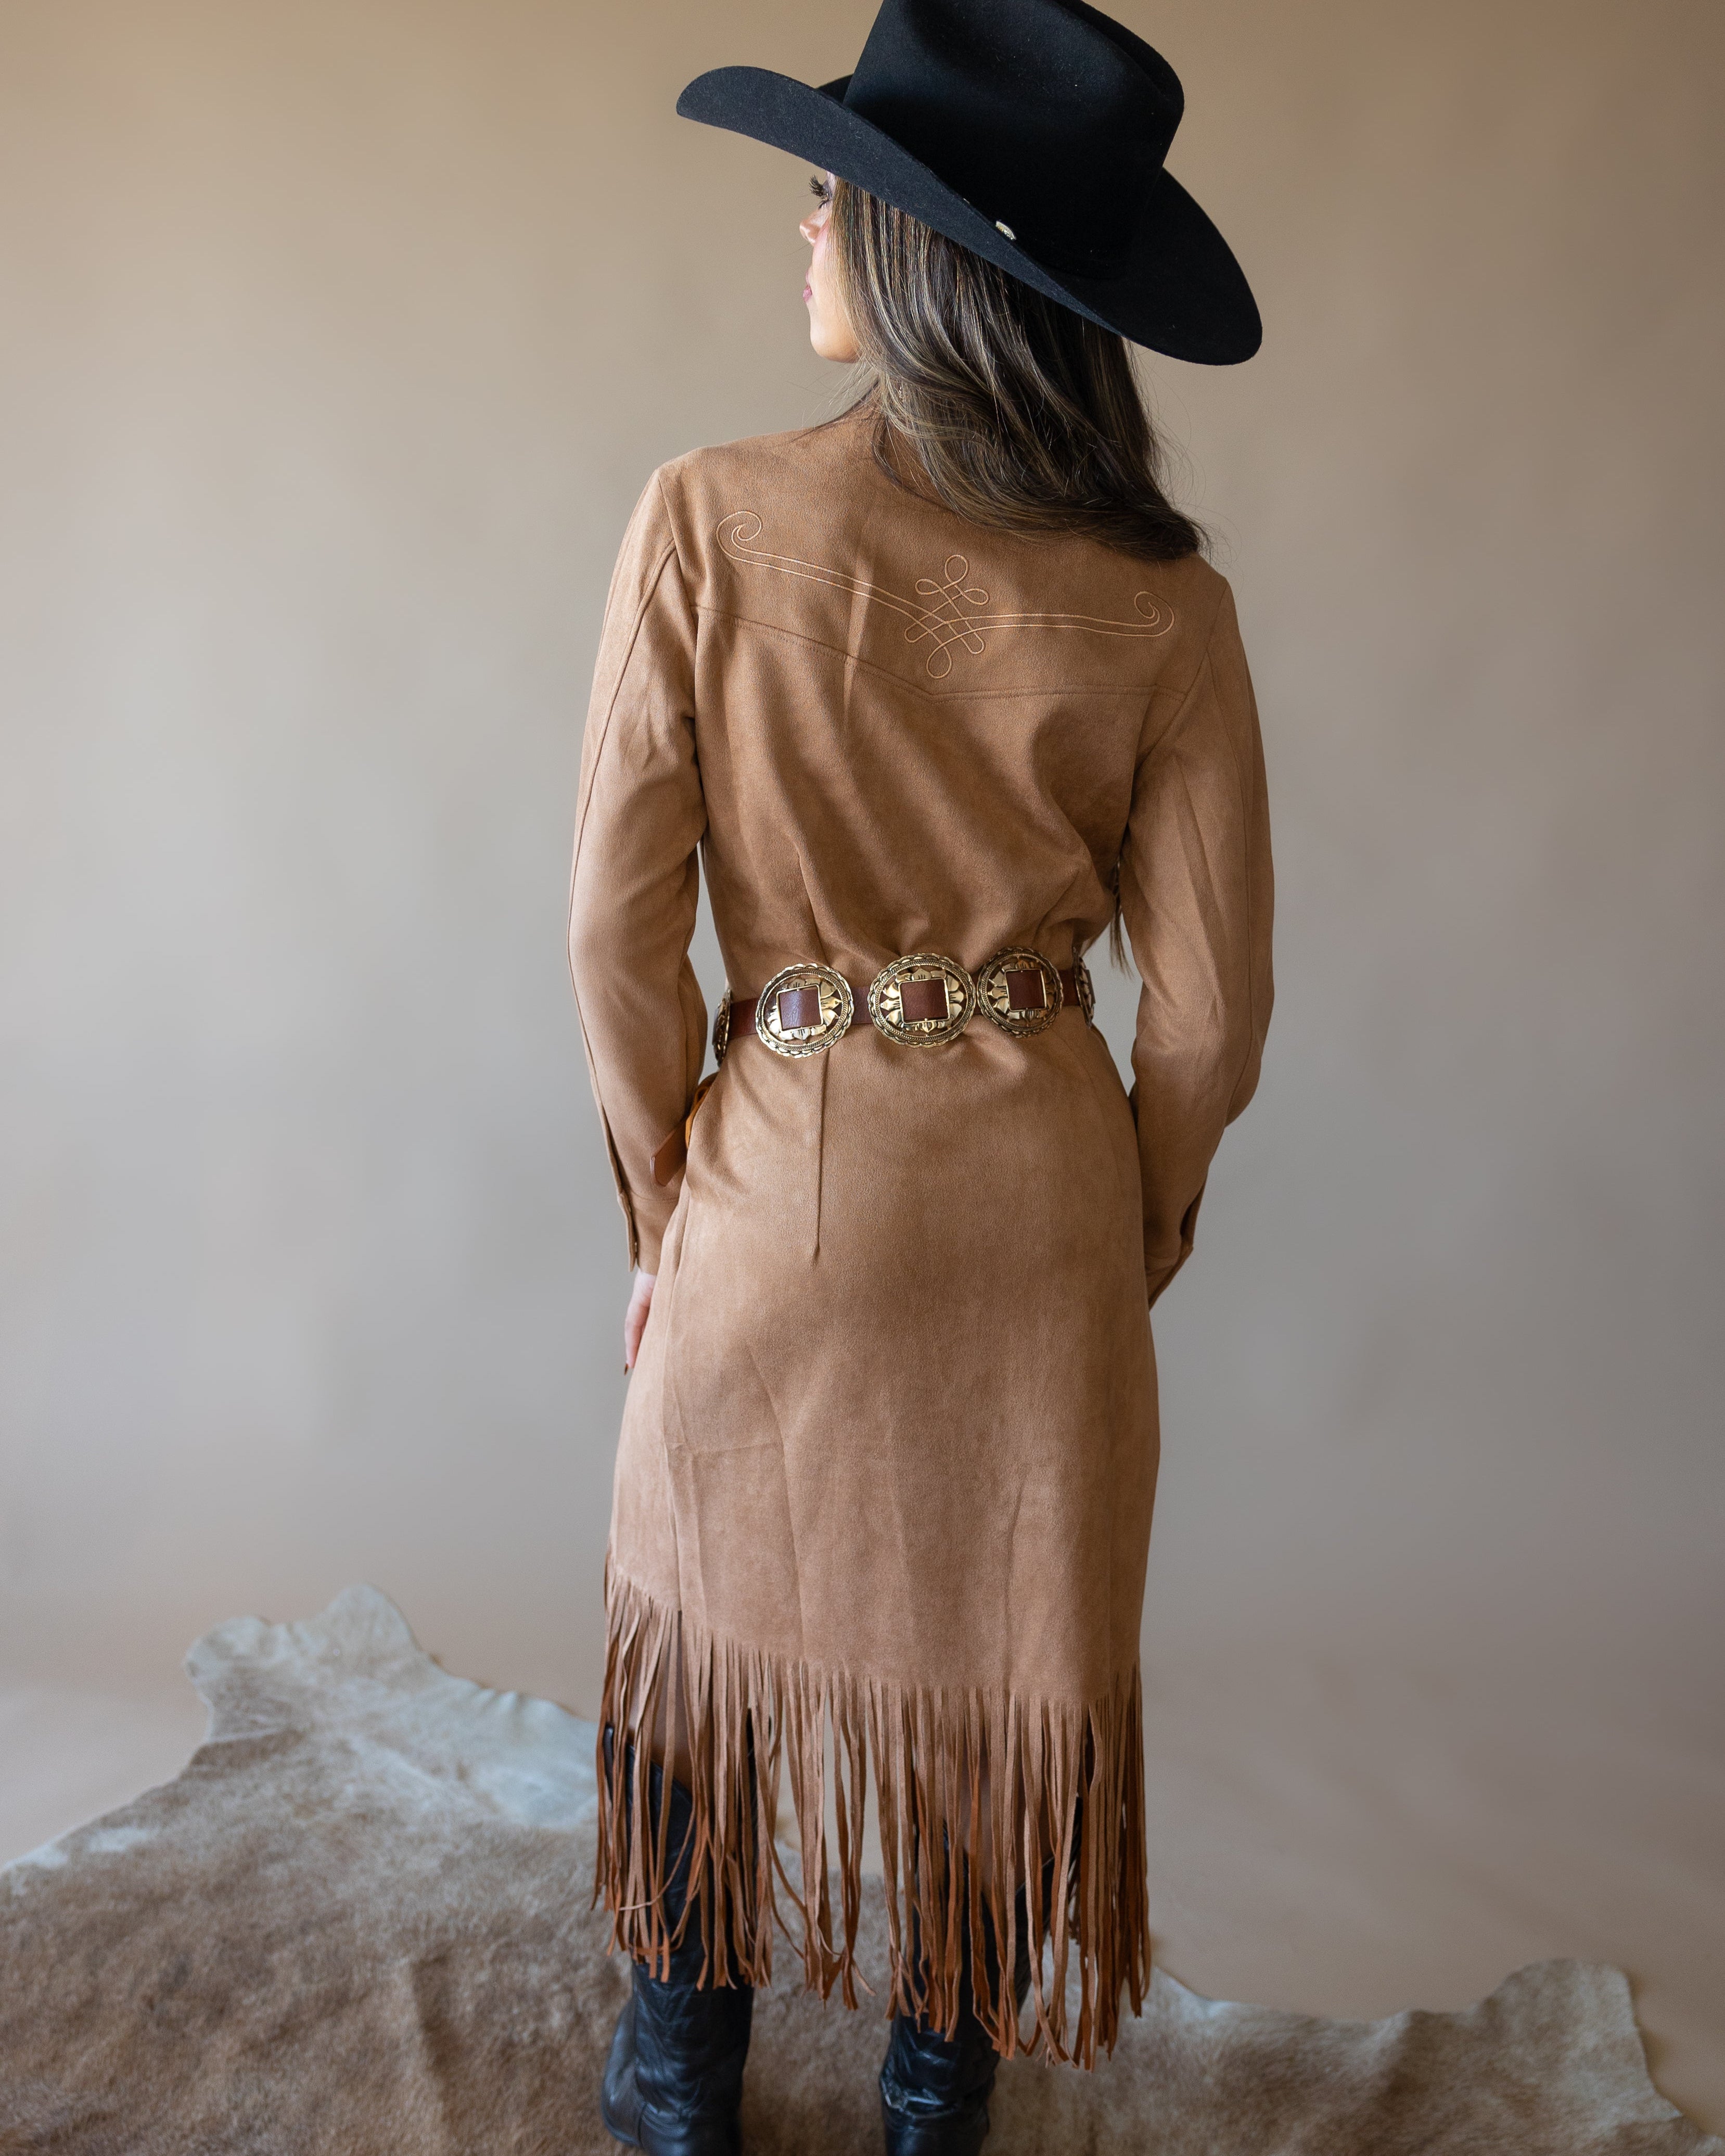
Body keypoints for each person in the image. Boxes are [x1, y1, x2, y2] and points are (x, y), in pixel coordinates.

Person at [566, 2, 1272, 2148]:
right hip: (1041, 1203)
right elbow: (1216, 1011)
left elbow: (615, 926)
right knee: (995, 1672)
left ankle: (680, 2070)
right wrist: (1121, 1236)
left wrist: (667, 1205)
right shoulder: (1169, 604)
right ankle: (928, 2096)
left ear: (920, 254)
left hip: (781, 1183)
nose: (805, 223)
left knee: (705, 1626)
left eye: (837, 196)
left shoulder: (705, 518)